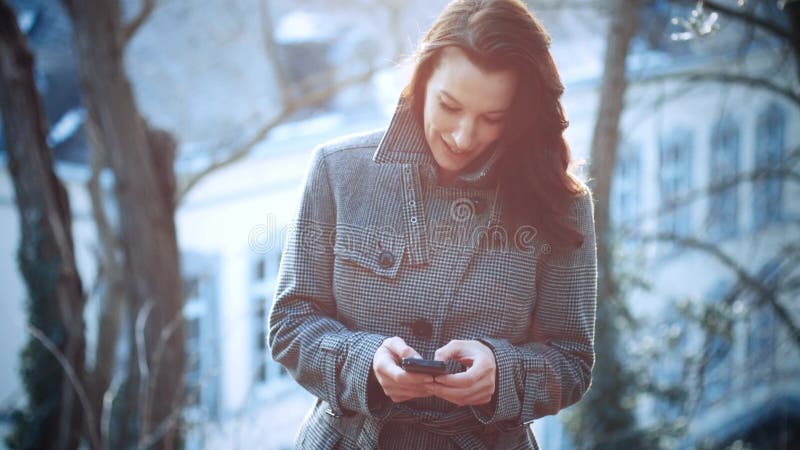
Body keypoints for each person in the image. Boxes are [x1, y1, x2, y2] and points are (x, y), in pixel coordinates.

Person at [268, 0, 598, 448]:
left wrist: (503, 376)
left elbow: (572, 361)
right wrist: (363, 363)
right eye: (449, 105)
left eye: (491, 118)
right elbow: (291, 323)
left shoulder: (561, 205)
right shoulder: (337, 171)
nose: (464, 136)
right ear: (422, 81)